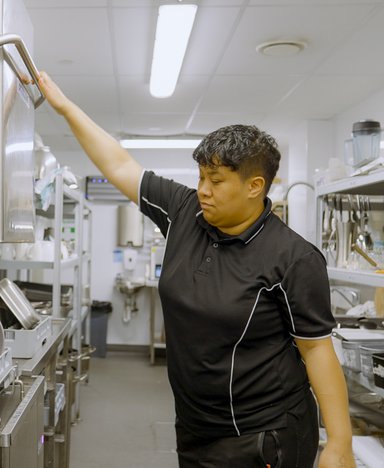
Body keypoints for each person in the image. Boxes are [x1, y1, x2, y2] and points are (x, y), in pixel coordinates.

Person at [37, 72, 355, 468]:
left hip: (264, 434)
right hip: (194, 425)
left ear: (255, 186)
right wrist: (65, 107)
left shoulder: (293, 258)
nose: (203, 188)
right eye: (201, 176)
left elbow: (317, 349)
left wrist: (340, 444)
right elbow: (120, 164)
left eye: (216, 180)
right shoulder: (185, 211)